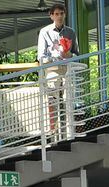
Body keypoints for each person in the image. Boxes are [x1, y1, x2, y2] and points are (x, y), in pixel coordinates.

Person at [38, 4, 79, 135]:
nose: (59, 16)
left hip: (67, 67)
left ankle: (69, 130)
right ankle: (53, 130)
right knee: (52, 97)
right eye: (56, 14)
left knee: (69, 97)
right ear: (51, 16)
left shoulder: (70, 32)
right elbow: (41, 56)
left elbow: (77, 54)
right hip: (52, 68)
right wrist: (54, 56)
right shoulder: (45, 32)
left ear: (65, 15)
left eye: (61, 13)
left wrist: (70, 55)